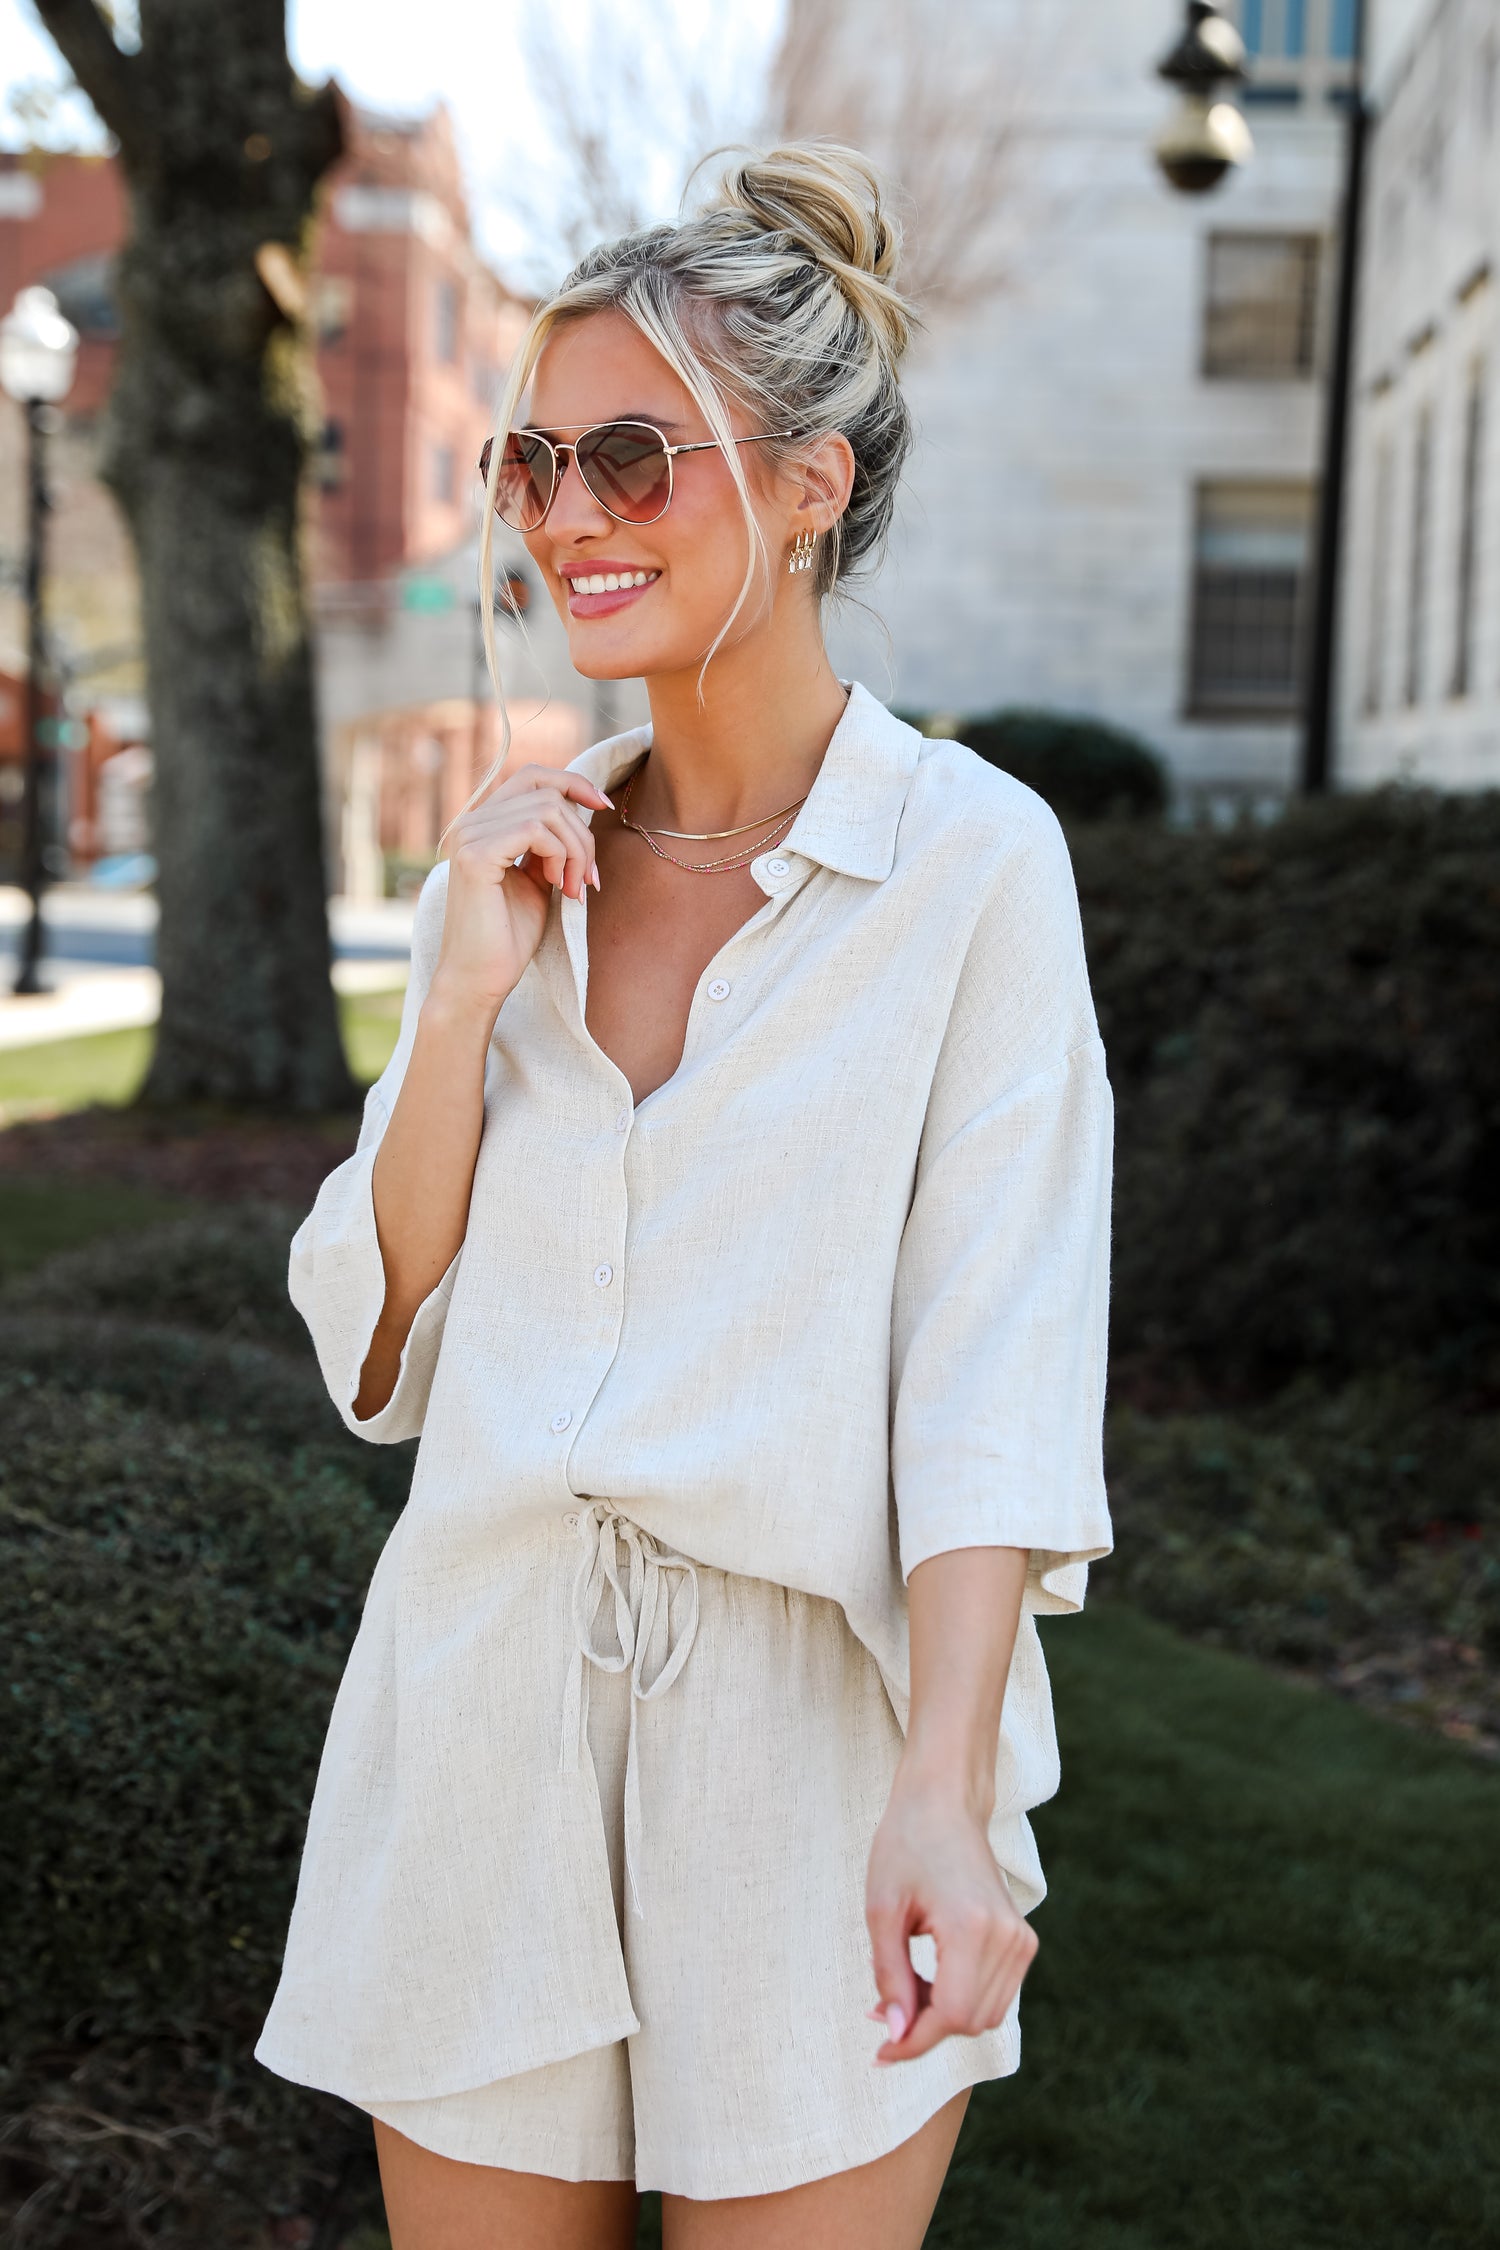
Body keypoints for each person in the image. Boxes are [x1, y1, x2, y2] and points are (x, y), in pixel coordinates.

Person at [255, 140, 1114, 2250]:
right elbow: (378, 1342)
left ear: (811, 481)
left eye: (633, 457)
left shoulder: (974, 865)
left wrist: (946, 1782)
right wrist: (460, 996)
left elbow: (993, 1361)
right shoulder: (518, 863)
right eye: (534, 460)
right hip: (478, 1719)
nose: (567, 516)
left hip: (813, 1752)